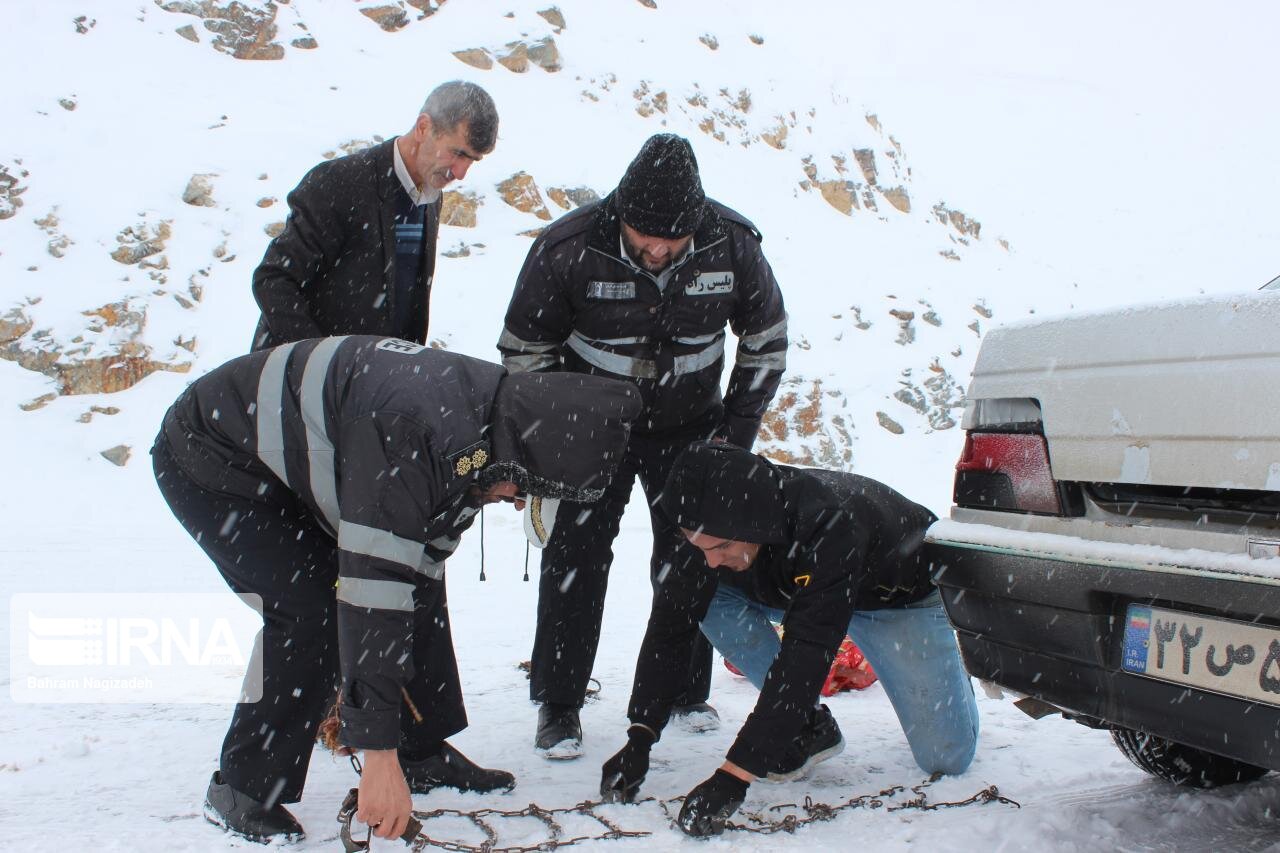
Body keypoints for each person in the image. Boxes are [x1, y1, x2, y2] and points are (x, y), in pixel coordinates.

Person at [152, 335, 640, 843]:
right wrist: (376, 754)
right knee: (313, 610)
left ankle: (421, 751)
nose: (517, 502)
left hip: (306, 458)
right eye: (525, 489)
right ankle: (244, 787)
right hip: (215, 458)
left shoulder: (498, 423)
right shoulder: (414, 436)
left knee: (418, 583)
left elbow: (417, 562)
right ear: (523, 459)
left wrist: (394, 728)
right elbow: (372, 591)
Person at [497, 133, 789, 758]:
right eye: (644, 236)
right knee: (575, 558)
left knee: (691, 557)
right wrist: (549, 444)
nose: (657, 249)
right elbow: (524, 355)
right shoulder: (568, 247)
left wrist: (733, 437)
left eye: (672, 240)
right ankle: (559, 702)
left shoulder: (733, 243)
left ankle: (684, 692)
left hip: (693, 430)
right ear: (620, 214)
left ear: (698, 223)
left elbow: (766, 341)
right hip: (589, 432)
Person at [599, 440, 980, 837]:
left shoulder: (829, 526)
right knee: (704, 598)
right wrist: (640, 737)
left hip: (896, 598)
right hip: (797, 589)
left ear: (751, 523)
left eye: (722, 547)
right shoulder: (702, 523)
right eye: (703, 548)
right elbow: (670, 626)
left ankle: (950, 675)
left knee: (945, 758)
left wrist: (734, 775)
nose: (710, 559)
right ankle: (807, 726)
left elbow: (806, 655)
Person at [250, 81, 498, 351]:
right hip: (299, 382)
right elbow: (273, 279)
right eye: (458, 153)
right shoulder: (340, 182)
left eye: (472, 160)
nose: (461, 172)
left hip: (371, 385)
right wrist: (321, 362)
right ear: (423, 127)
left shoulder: (431, 196)